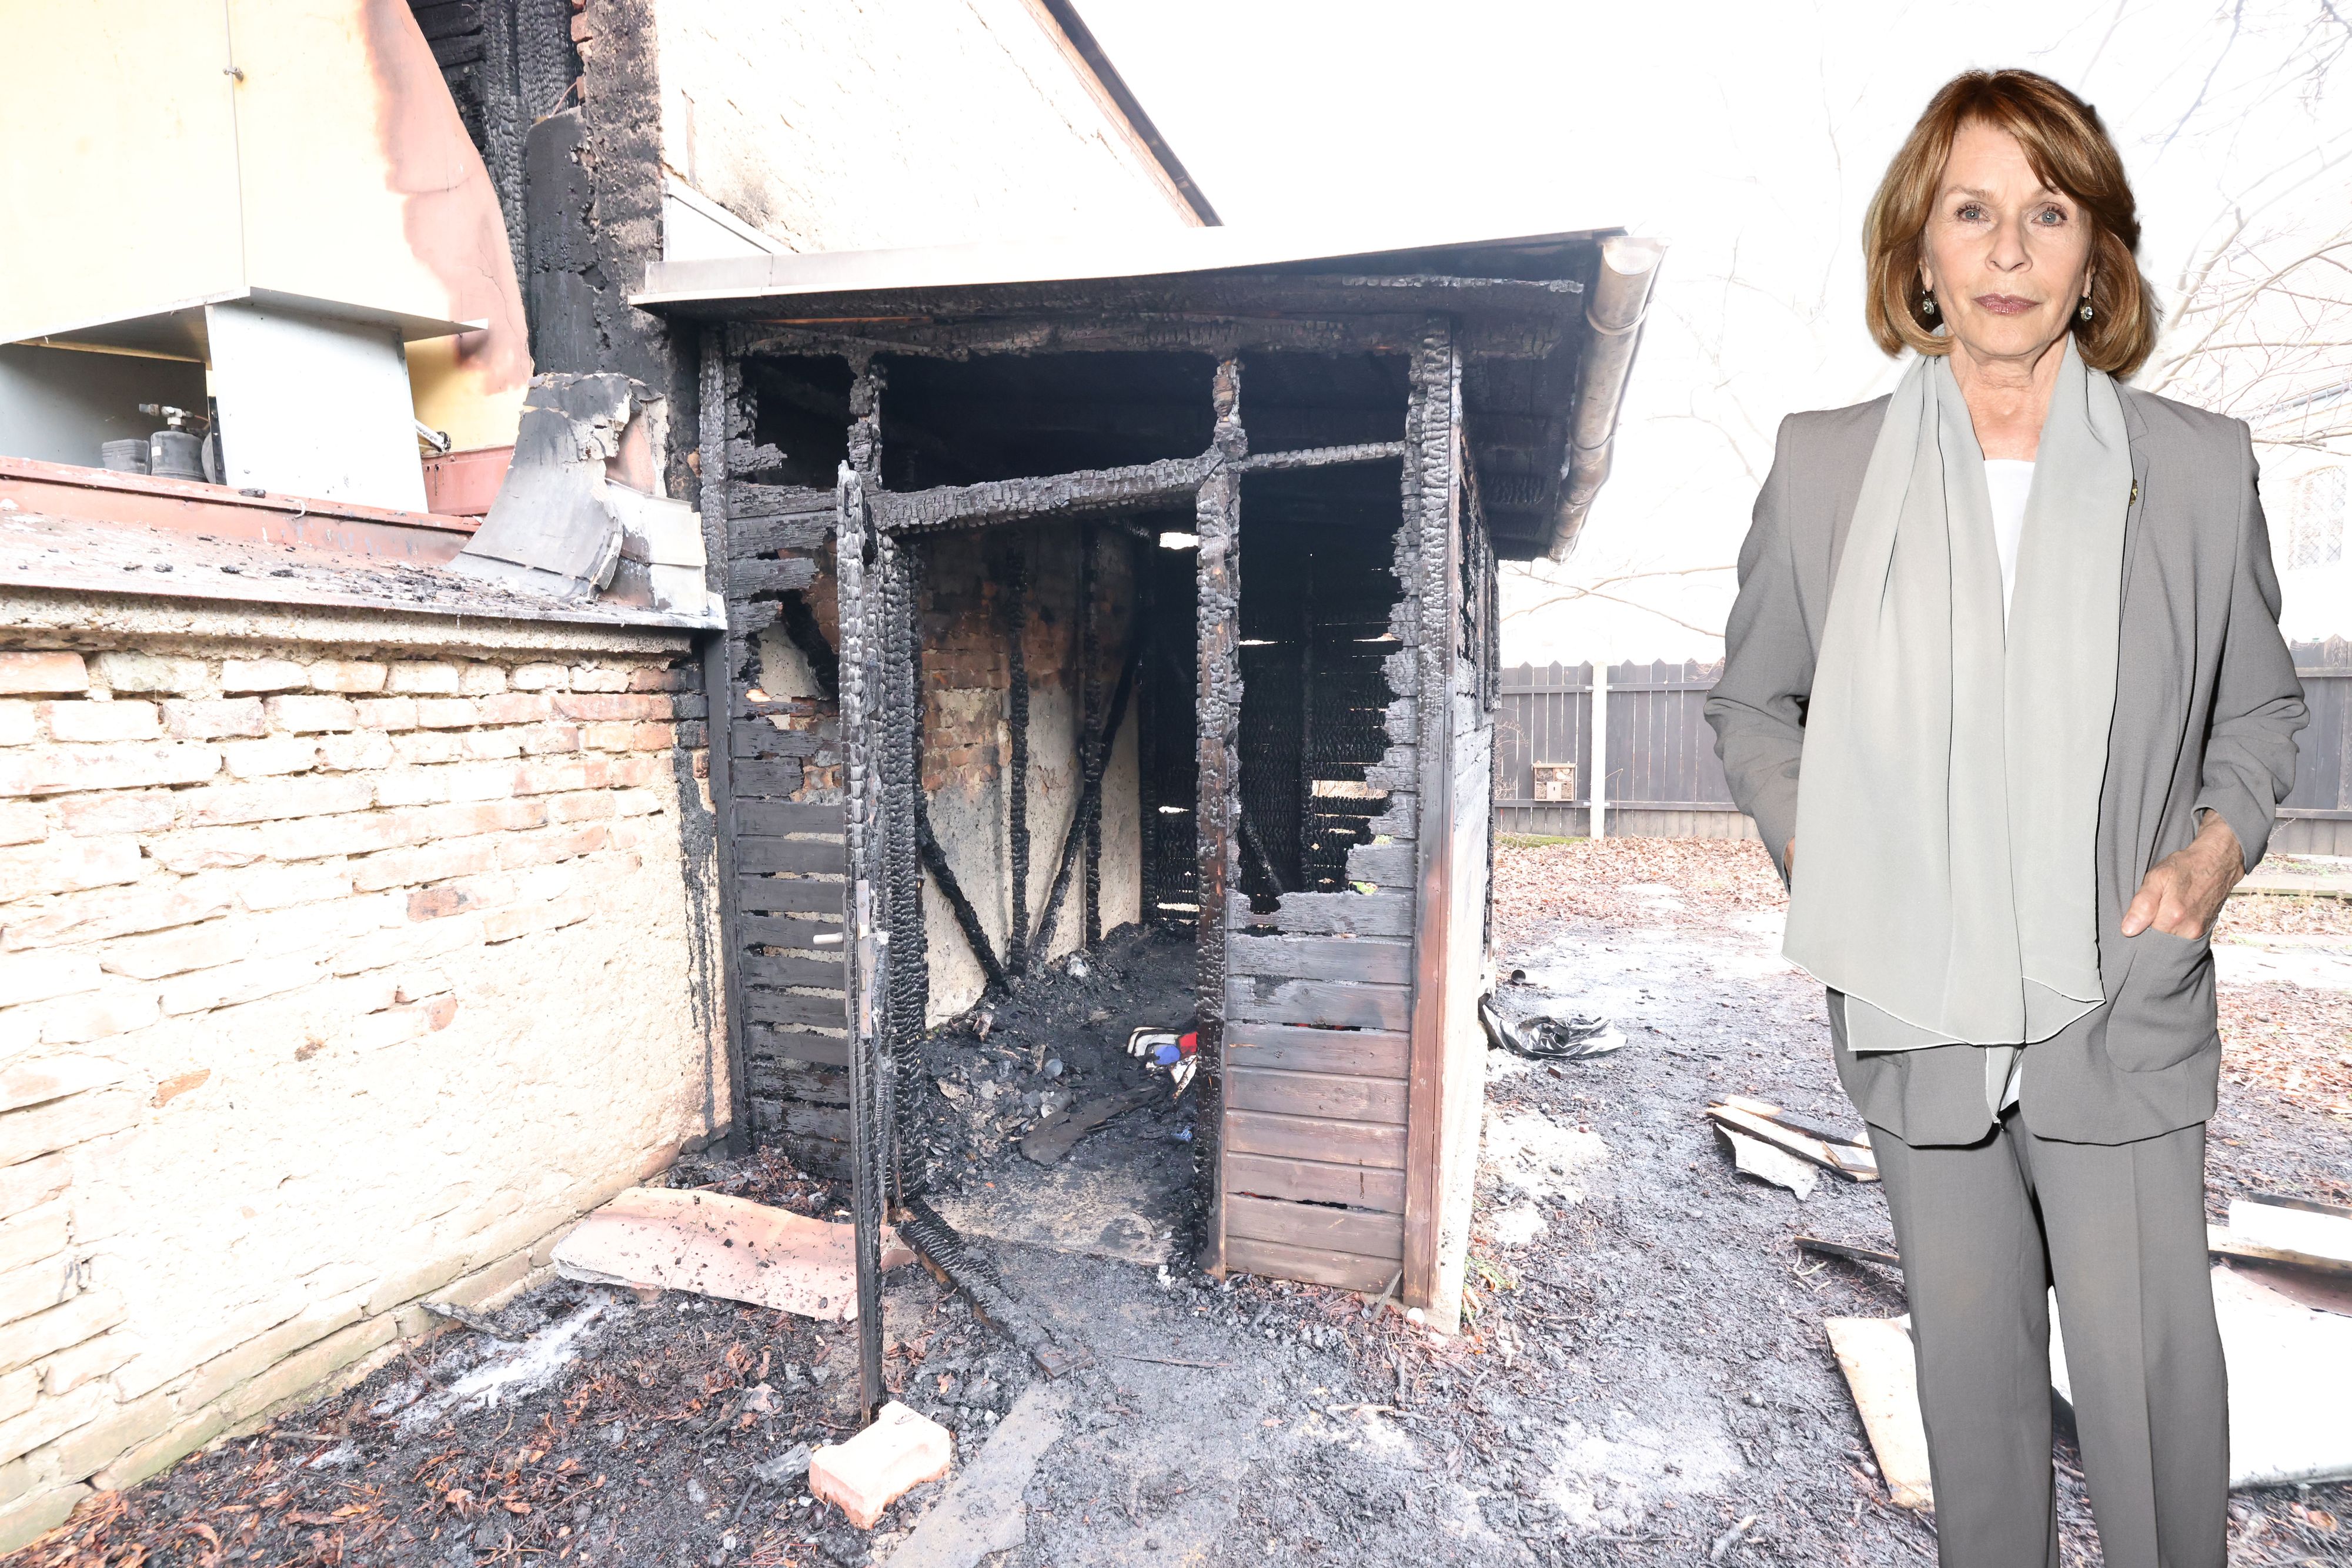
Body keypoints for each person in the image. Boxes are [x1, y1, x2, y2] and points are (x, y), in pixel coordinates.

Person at [1704, 69, 2307, 1568]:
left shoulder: (2193, 467)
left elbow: (2259, 712)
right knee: (1973, 1429)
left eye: (2046, 214)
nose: (2006, 252)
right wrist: (1824, 850)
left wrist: (2206, 857)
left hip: (2118, 1003)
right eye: (1970, 212)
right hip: (1918, 1009)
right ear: (1917, 248)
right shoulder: (1824, 467)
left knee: (2154, 1413)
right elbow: (1751, 703)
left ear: (2094, 251)